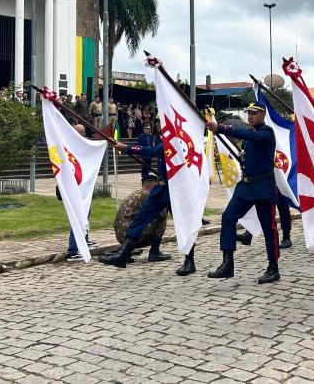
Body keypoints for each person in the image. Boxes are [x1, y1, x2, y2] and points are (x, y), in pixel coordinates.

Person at [207, 102, 281, 284]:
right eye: (248, 113)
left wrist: (221, 128)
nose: (250, 116)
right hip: (246, 187)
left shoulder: (267, 132)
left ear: (263, 115)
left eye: (254, 114)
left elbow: (247, 134)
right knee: (228, 217)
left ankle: (273, 268)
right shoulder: (251, 135)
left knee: (269, 229)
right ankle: (227, 263)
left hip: (263, 188)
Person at [100, 130, 189, 272]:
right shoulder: (169, 136)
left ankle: (189, 261)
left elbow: (152, 151)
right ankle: (123, 254)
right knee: (140, 219)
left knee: (184, 225)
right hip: (161, 188)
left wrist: (126, 148)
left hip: (175, 190)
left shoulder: (178, 137)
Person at [59, 124, 97, 261]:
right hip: (73, 188)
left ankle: (84, 240)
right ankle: (73, 250)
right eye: (82, 133)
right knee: (77, 217)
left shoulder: (78, 146)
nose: (84, 135)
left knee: (86, 211)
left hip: (81, 186)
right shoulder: (68, 146)